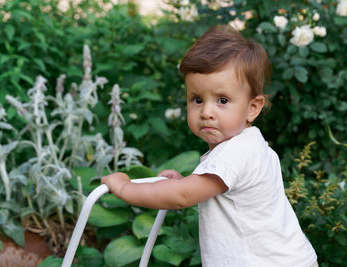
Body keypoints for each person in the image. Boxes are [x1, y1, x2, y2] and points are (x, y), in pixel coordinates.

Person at [101, 25, 318, 267]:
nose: (206, 112)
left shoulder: (235, 154)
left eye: (222, 100)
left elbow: (182, 197)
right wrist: (185, 180)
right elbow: (208, 190)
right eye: (197, 99)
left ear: (253, 108)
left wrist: (124, 189)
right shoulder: (249, 144)